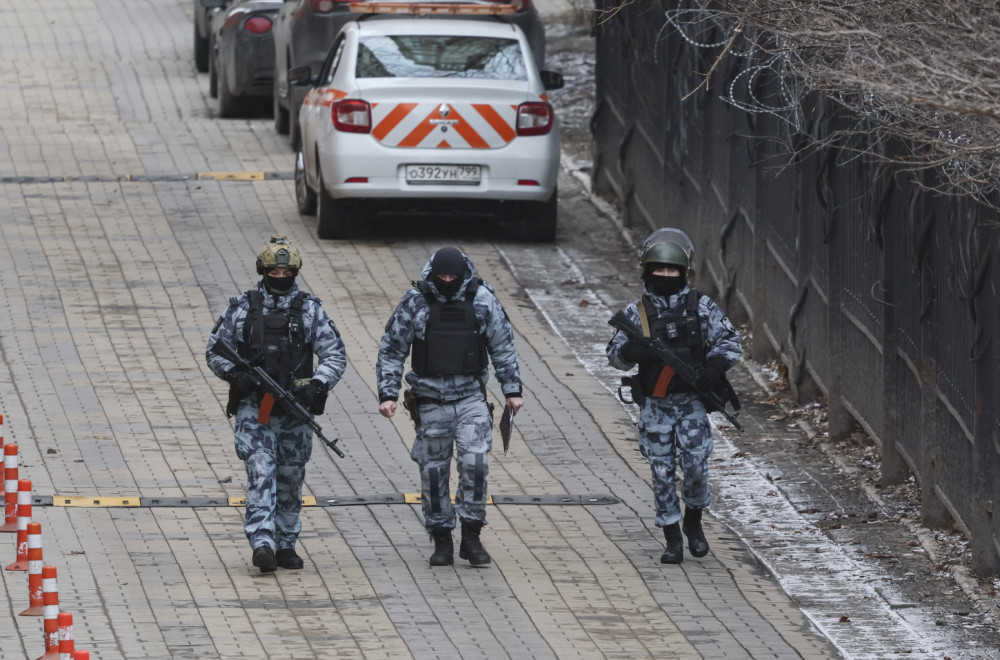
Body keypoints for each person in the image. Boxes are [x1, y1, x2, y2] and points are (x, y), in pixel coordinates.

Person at [207, 234, 346, 573]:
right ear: (263, 271)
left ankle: (286, 543)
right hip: (255, 409)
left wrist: (319, 384)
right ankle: (262, 541)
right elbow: (215, 349)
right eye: (274, 272)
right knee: (260, 470)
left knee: (290, 478)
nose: (280, 278)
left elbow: (335, 354)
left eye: (286, 274)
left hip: (294, 411)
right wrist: (233, 375)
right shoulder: (242, 309)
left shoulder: (310, 310)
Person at [376, 247, 523, 567]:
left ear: (461, 275)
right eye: (440, 276)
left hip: (471, 399)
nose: (446, 281)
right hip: (430, 401)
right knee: (433, 472)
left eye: (451, 277)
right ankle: (441, 535)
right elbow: (391, 350)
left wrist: (512, 389)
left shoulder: (482, 299)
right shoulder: (415, 302)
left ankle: (471, 535)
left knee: (475, 465)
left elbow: (502, 345)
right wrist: (388, 394)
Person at [607, 232, 742, 564]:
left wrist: (715, 366)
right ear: (648, 271)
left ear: (683, 272)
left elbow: (730, 342)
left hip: (691, 403)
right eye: (659, 270)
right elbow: (614, 355)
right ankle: (671, 536)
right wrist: (630, 351)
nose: (665, 276)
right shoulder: (637, 311)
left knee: (696, 466)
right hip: (655, 405)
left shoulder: (701, 306)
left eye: (672, 270)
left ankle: (693, 520)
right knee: (662, 472)